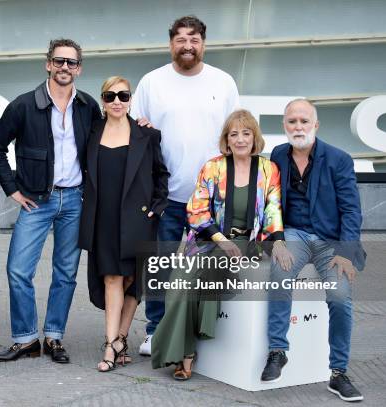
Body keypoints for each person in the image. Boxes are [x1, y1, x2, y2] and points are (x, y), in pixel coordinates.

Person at [152, 109, 292, 380]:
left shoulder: (267, 169)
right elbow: (196, 211)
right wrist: (221, 239)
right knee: (181, 281)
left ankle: (187, 353)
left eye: (246, 133)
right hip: (211, 239)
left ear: (255, 138)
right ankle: (185, 351)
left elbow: (273, 209)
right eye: (234, 134)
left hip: (248, 244)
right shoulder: (213, 167)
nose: (240, 139)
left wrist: (280, 242)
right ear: (226, 140)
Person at [130, 15, 240, 355]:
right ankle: (156, 330)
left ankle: (203, 332)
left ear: (204, 44)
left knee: (208, 269)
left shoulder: (223, 83)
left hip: (212, 199)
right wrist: (139, 125)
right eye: (181, 39)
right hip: (166, 196)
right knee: (161, 266)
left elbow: (237, 134)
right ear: (171, 44)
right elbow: (132, 129)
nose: (187, 46)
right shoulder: (152, 82)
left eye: (194, 39)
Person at [0, 39, 102, 363]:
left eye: (71, 62)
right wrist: (12, 189)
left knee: (66, 273)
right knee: (17, 270)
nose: (65, 67)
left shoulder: (88, 106)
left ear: (79, 68)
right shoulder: (24, 105)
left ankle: (54, 337)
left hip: (75, 200)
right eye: (59, 61)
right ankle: (26, 338)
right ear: (48, 64)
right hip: (36, 201)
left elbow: (104, 143)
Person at [262, 99, 365, 402]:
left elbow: (351, 211)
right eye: (292, 121)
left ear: (316, 125)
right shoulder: (278, 155)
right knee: (280, 273)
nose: (298, 127)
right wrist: (276, 239)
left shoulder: (339, 159)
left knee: (339, 296)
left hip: (331, 240)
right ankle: (278, 351)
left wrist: (345, 252)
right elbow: (271, 203)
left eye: (304, 121)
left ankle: (338, 373)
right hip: (294, 233)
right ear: (284, 126)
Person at [78, 76, 169, 372]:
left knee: (133, 282)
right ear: (102, 101)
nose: (117, 101)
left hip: (138, 218)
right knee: (111, 278)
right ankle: (109, 345)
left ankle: (121, 338)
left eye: (123, 95)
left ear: (130, 99)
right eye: (110, 95)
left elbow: (160, 174)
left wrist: (157, 206)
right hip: (103, 218)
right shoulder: (91, 132)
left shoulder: (147, 134)